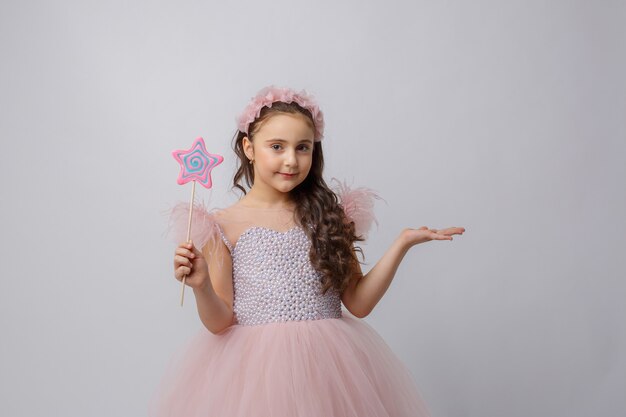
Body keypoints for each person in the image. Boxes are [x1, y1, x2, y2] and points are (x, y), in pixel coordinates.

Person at [149, 85, 465, 417]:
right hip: (257, 377)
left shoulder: (330, 217)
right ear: (249, 147)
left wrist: (402, 244)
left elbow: (358, 303)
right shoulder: (223, 225)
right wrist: (201, 287)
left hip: (330, 369)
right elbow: (219, 321)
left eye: (303, 147)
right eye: (276, 146)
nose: (291, 160)